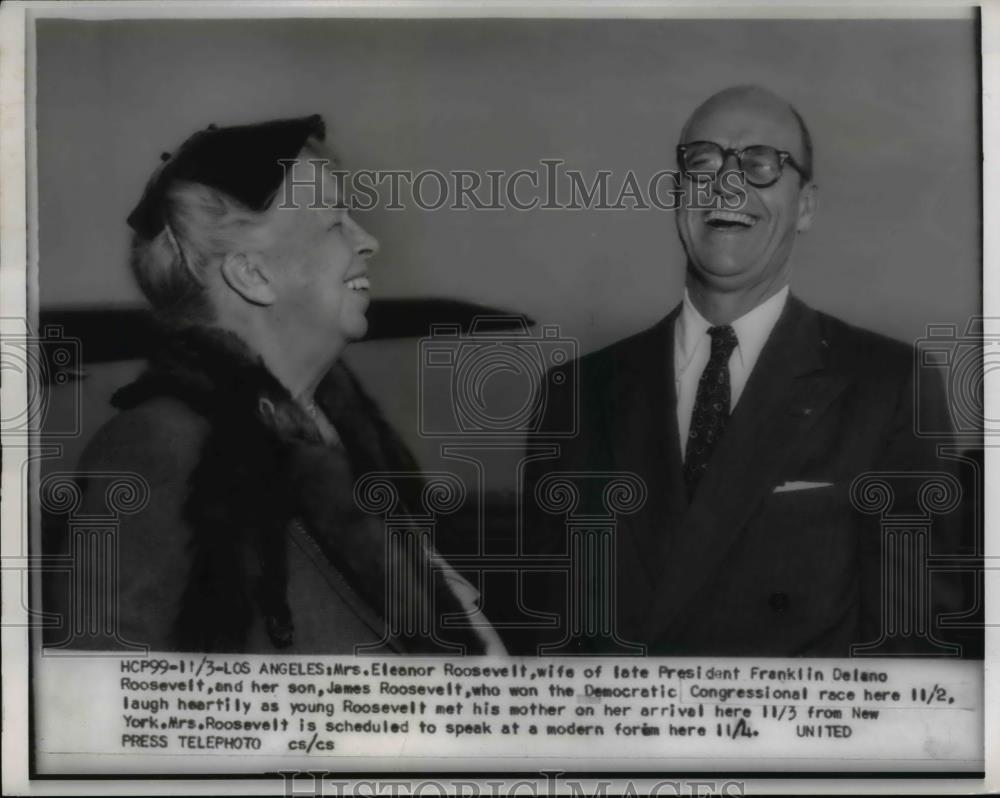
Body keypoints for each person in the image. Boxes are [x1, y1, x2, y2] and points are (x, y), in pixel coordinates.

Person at [519, 86, 967, 657]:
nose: (727, 186)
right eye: (703, 162)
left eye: (761, 164)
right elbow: (547, 643)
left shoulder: (891, 385)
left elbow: (914, 654)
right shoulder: (575, 394)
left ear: (806, 206)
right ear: (677, 194)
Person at [53, 115, 504, 654]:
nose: (368, 242)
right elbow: (104, 686)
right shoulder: (159, 445)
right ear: (253, 275)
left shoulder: (342, 437)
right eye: (334, 222)